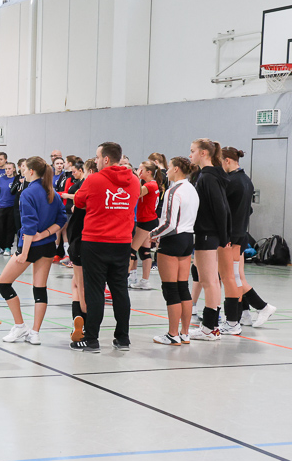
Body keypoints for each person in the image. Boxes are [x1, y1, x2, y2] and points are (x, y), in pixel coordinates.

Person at [71, 142, 140, 353]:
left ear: (106, 159)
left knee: (95, 291)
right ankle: (123, 337)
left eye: (98, 157)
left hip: (95, 242)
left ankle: (92, 339)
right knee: (120, 290)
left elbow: (79, 201)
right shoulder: (134, 181)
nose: (96, 160)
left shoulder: (94, 179)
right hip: (122, 242)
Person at [0, 157, 68, 345]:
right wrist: (45, 234)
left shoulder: (28, 193)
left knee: (3, 284)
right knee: (40, 288)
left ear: (31, 171)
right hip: (47, 246)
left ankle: (20, 325)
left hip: (30, 247)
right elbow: (61, 220)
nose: (22, 171)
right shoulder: (52, 192)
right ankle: (35, 332)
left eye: (24, 168)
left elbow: (29, 226)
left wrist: (24, 253)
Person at [221, 147, 277, 329]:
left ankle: (262, 306)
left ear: (227, 160)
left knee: (233, 278)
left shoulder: (231, 181)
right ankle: (244, 314)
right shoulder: (246, 179)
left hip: (232, 236)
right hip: (240, 234)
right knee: (237, 276)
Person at [149, 157, 199, 345]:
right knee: (182, 287)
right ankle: (185, 333)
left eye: (169, 167)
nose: (167, 171)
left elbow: (169, 223)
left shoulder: (173, 190)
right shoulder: (192, 189)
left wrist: (152, 234)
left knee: (170, 289)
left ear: (177, 169)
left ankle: (172, 334)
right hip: (187, 239)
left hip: (172, 240)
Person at [188, 138, 231, 341]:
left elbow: (221, 208)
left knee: (209, 281)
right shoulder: (209, 175)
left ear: (203, 153)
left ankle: (209, 328)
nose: (190, 155)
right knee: (211, 280)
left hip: (207, 233)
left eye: (192, 151)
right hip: (209, 233)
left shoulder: (208, 177)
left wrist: (224, 236)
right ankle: (211, 327)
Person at [62, 159, 95, 341]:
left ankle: (83, 322)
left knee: (80, 286)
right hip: (98, 244)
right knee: (80, 284)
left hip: (82, 242)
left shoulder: (85, 189)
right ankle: (79, 319)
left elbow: (76, 207)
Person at [128, 162, 160, 290]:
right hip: (148, 220)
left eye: (141, 169)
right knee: (144, 251)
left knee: (131, 251)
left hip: (146, 221)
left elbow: (135, 194)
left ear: (148, 172)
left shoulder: (149, 185)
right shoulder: (152, 184)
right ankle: (144, 281)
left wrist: (135, 177)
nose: (139, 171)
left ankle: (123, 279)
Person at [0, 162, 18, 256]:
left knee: (9, 228)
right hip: (1, 206)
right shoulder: (1, 179)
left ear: (14, 169)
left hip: (12, 207)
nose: (7, 171)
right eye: (6, 169)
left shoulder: (16, 180)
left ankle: (7, 247)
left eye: (9, 169)